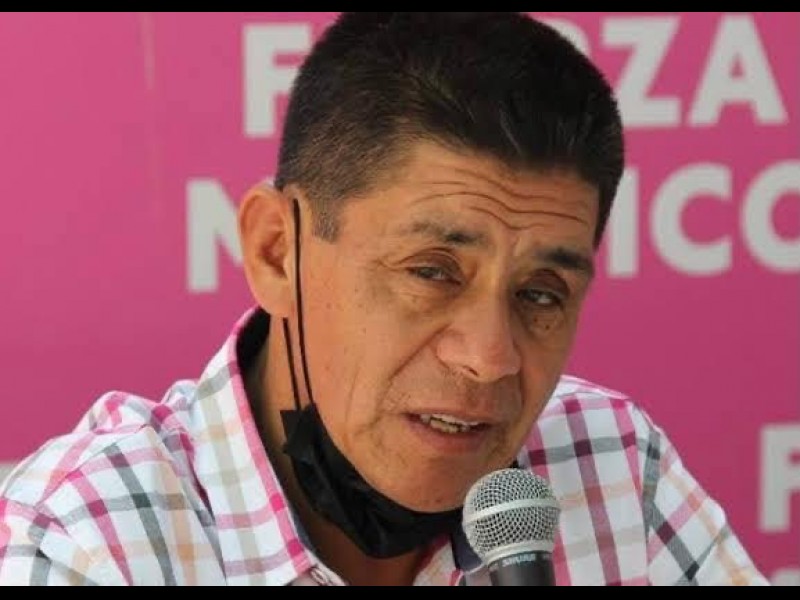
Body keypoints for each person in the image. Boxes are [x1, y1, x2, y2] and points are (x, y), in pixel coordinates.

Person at [0, 12, 768, 586]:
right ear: (277, 252)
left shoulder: (611, 462)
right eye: (432, 272)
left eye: (541, 293)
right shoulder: (91, 539)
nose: (489, 358)